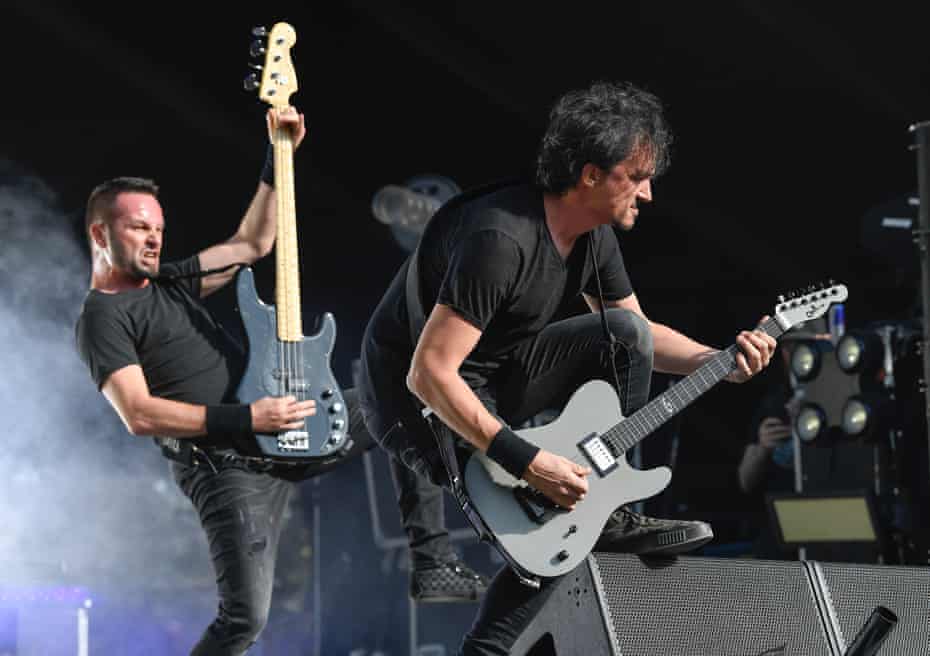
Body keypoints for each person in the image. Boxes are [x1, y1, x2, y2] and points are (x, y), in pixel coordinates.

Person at [357, 80, 777, 654]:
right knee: (549, 513)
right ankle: (492, 645)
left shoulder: (591, 235)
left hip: (492, 372)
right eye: (638, 176)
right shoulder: (498, 238)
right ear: (590, 174)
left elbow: (640, 335)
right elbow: (428, 373)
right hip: (417, 403)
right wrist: (526, 462)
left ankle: (614, 510)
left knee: (624, 339)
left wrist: (717, 360)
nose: (648, 194)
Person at [74, 106, 483, 656]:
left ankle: (431, 560)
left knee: (409, 392)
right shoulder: (102, 317)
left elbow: (252, 244)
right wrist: (248, 417)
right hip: (229, 469)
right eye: (138, 227)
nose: (153, 239)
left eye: (158, 228)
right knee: (244, 620)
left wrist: (278, 153)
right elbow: (138, 413)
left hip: (289, 425)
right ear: (101, 233)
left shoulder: (169, 284)